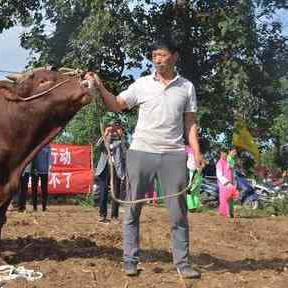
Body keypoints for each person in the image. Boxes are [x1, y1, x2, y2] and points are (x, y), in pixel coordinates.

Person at [88, 38, 204, 279]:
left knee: (178, 212)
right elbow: (117, 105)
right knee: (132, 209)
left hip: (173, 154)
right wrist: (99, 87)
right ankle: (129, 260)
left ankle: (182, 264)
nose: (157, 59)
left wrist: (197, 151)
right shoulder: (141, 84)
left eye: (161, 55)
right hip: (141, 152)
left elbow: (190, 123)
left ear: (174, 56)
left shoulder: (187, 87)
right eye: (154, 56)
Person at [94, 121, 127, 223]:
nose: (113, 131)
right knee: (103, 192)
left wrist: (121, 137)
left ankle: (114, 216)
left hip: (116, 169)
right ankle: (102, 215)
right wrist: (105, 134)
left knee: (116, 193)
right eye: (110, 128)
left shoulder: (121, 142)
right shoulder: (105, 140)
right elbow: (98, 146)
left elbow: (125, 153)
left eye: (115, 129)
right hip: (104, 169)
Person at [216, 151, 238, 218]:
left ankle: (230, 212)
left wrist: (234, 182)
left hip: (230, 183)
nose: (225, 155)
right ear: (221, 154)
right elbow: (219, 175)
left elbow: (232, 172)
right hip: (224, 184)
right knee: (225, 198)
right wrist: (226, 182)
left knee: (231, 198)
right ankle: (226, 213)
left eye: (226, 153)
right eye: (223, 153)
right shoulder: (219, 163)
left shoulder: (228, 162)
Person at [30, 144, 51, 211]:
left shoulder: (48, 146)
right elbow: (32, 157)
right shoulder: (35, 144)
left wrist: (49, 169)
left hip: (45, 171)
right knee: (34, 189)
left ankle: (44, 207)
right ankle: (34, 207)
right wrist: (34, 168)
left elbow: (49, 158)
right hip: (35, 171)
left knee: (44, 189)